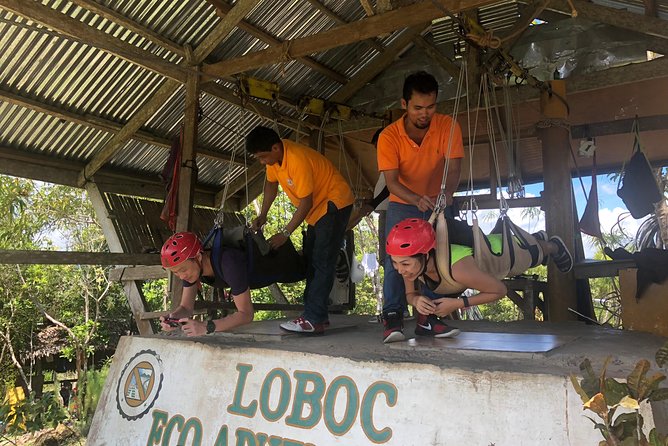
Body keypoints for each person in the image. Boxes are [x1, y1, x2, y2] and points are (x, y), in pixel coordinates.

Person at [377, 70, 465, 342]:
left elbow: (453, 168)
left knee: (439, 261)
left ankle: (429, 317)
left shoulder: (448, 126)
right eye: (417, 108)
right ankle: (392, 315)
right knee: (397, 261)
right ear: (404, 105)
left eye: (430, 107)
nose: (424, 114)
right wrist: (417, 199)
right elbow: (391, 182)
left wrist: (447, 194)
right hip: (404, 204)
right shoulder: (389, 136)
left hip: (438, 203)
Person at [384, 218, 574, 342]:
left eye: (405, 264)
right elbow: (410, 294)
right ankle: (535, 239)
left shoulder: (457, 268)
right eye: (395, 263)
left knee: (534, 254)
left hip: (502, 254)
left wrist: (458, 304)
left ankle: (552, 245)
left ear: (425, 256)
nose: (400, 270)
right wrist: (416, 300)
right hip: (484, 250)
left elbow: (500, 290)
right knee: (531, 250)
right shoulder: (412, 266)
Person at [245, 126, 354, 334]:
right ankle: (316, 316)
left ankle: (313, 318)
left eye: (263, 156)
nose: (262, 161)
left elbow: (305, 202)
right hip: (317, 211)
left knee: (322, 261)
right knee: (312, 260)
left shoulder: (296, 160)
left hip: (334, 203)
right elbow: (270, 185)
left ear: (276, 148)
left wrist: (285, 234)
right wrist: (263, 214)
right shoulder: (275, 160)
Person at [159, 232, 254, 336]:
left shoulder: (228, 263)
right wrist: (174, 317)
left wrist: (206, 326)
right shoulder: (192, 270)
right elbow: (186, 307)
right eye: (176, 272)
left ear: (198, 257)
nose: (181, 276)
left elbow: (246, 314)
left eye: (183, 270)